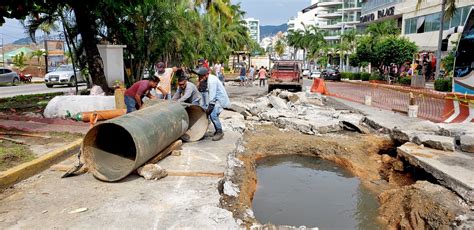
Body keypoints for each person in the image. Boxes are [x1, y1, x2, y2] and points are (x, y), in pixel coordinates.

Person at [193, 66, 230, 141]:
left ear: (206, 75)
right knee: (211, 113)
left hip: (219, 100)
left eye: (201, 76)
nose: (200, 78)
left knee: (213, 114)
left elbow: (212, 98)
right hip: (217, 99)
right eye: (199, 76)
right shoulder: (209, 78)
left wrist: (209, 109)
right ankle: (217, 130)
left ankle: (219, 131)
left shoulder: (212, 81)